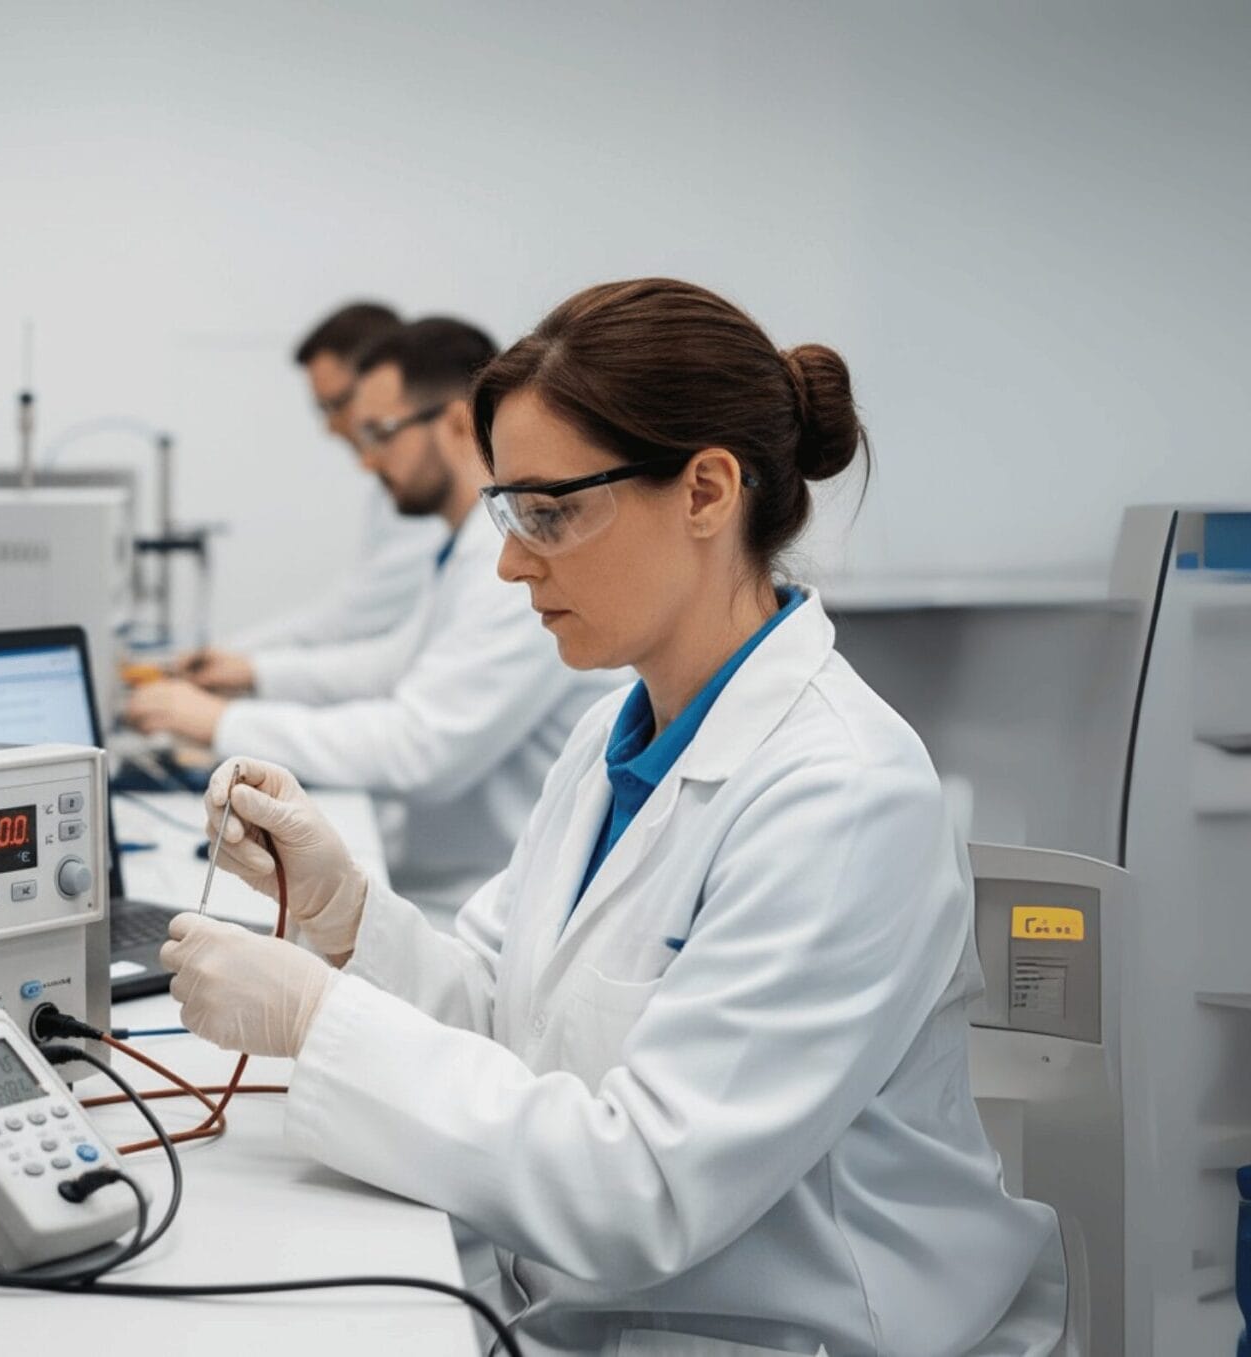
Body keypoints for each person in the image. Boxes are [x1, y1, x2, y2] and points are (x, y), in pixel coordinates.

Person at [160, 280, 1066, 1355]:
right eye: (507, 511)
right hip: (606, 1314)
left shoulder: (844, 794)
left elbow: (643, 1189)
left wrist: (319, 1020)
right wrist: (347, 913)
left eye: (549, 513)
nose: (510, 560)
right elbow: (507, 1019)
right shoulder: (611, 741)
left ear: (706, 491)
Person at [127, 317, 615, 914]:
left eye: (381, 432)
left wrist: (221, 723)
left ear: (458, 422)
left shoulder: (508, 565)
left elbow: (419, 747)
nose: (366, 460)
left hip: (482, 897)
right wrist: (253, 676)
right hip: (449, 877)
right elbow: (394, 663)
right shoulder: (467, 546)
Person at [195, 301, 443, 659]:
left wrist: (233, 663)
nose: (331, 427)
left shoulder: (428, 502)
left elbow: (352, 618)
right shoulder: (392, 494)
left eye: (336, 404)